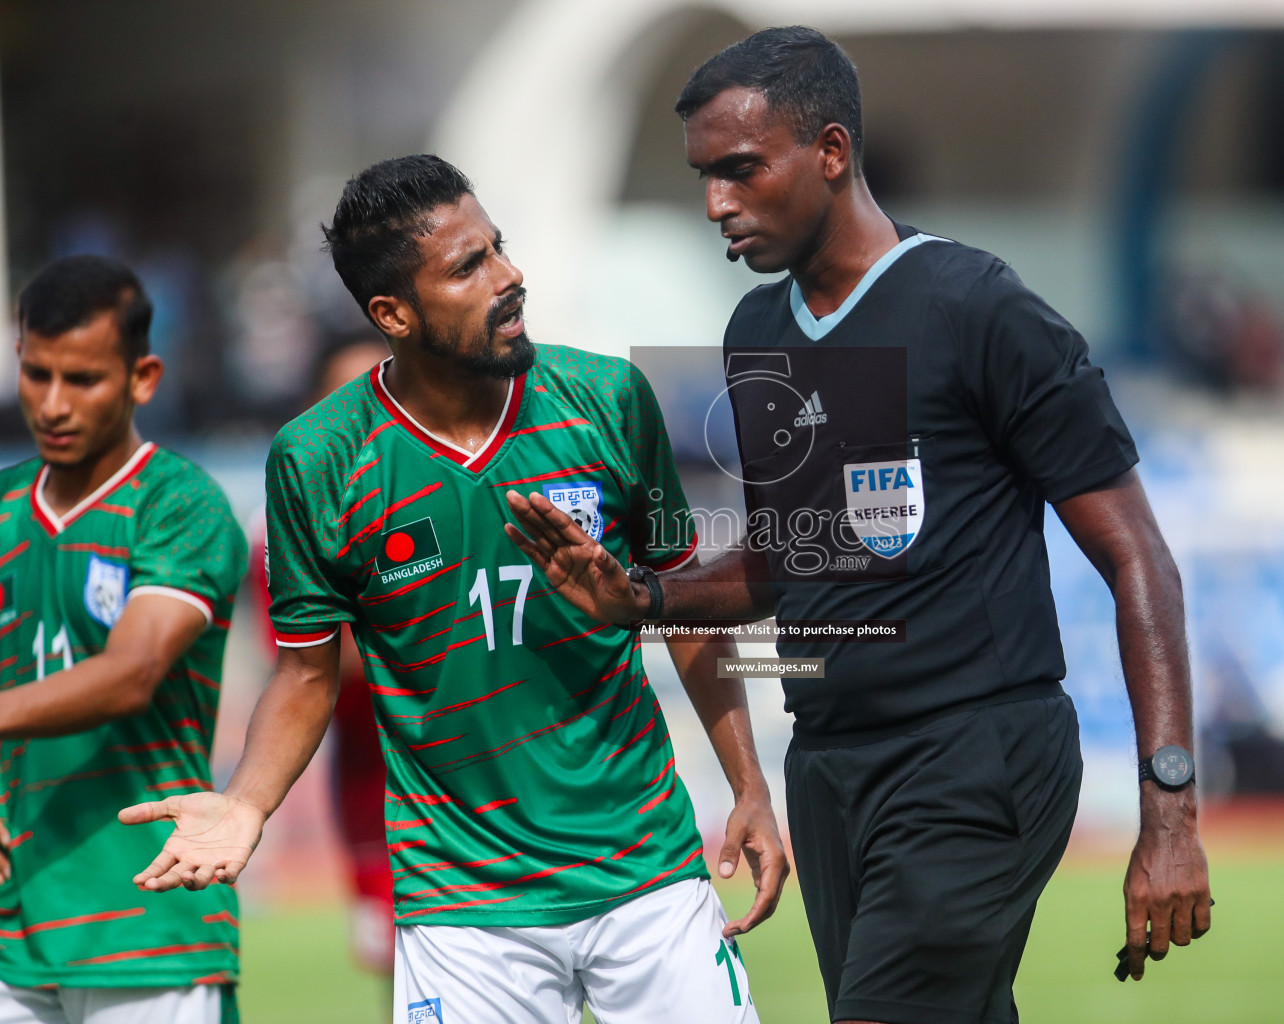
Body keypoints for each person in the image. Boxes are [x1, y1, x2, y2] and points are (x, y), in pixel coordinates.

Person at [503, 25, 1213, 1024]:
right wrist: (643, 595)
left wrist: (1169, 810)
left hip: (975, 751)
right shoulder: (759, 330)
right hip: (830, 764)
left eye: (742, 171)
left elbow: (1140, 558)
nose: (717, 204)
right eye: (705, 176)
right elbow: (789, 561)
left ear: (832, 152)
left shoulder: (977, 307)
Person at [122, 155, 787, 1024]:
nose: (510, 278)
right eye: (469, 266)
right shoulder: (319, 458)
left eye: (499, 249)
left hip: (647, 869)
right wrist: (247, 803)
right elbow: (305, 671)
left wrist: (748, 785)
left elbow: (685, 604)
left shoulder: (609, 398)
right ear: (392, 313)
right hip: (461, 911)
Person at [0, 255, 246, 1024]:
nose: (52, 404)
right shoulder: (3, 510)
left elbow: (130, 671)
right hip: (13, 930)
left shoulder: (181, 504)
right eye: (36, 375)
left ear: (143, 378)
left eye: (83, 379)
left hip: (150, 921)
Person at [243, 337, 395, 975]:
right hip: (383, 798)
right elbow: (314, 662)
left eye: (380, 392)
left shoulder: (473, 482)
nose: (366, 416)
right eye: (343, 398)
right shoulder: (278, 525)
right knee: (408, 979)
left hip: (511, 782)